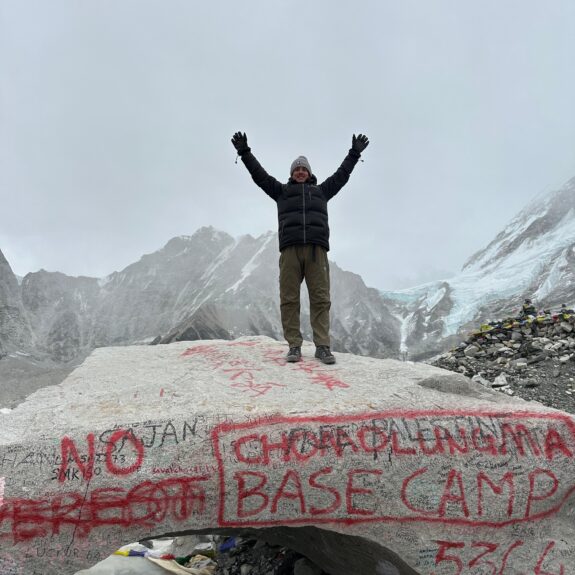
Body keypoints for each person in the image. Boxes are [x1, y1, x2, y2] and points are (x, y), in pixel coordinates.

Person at [231, 132, 369, 364]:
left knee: (320, 299)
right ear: (292, 174)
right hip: (290, 252)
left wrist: (354, 153)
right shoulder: (282, 193)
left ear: (310, 173)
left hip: (317, 251)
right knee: (289, 299)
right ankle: (294, 346)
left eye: (304, 169)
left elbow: (342, 175)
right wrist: (245, 152)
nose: (301, 172)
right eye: (297, 169)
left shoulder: (322, 192)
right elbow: (260, 176)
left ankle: (322, 346)